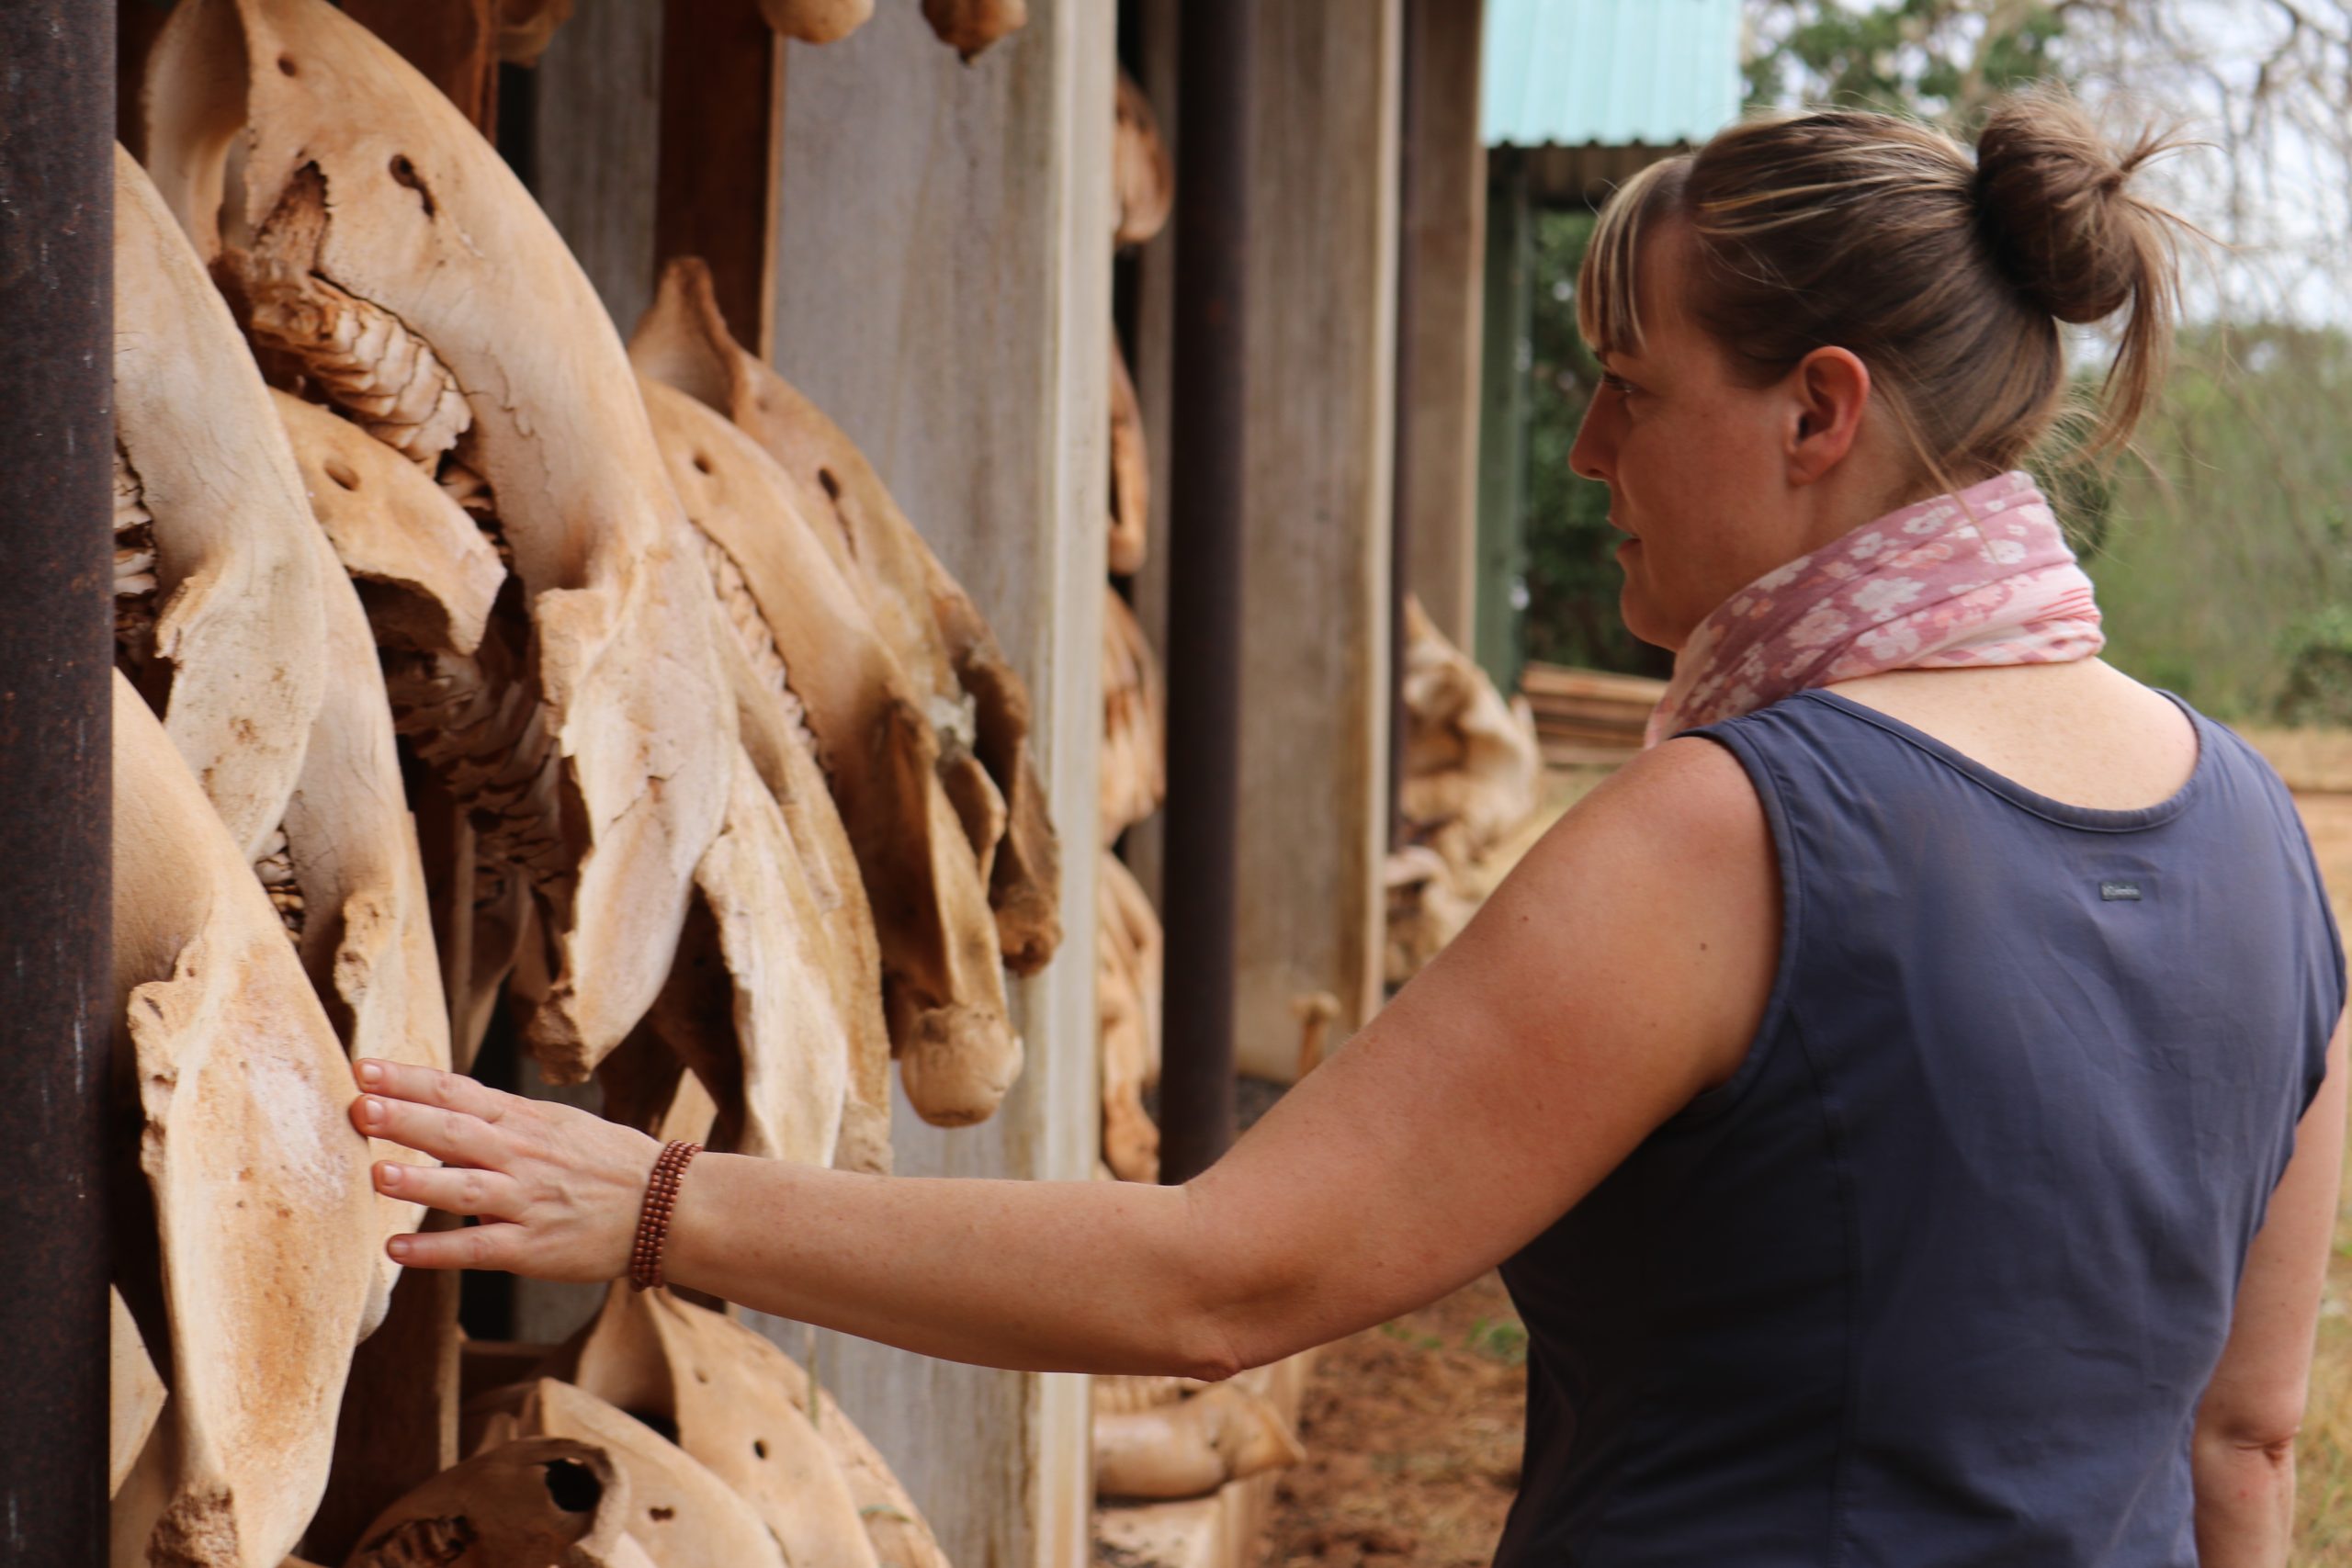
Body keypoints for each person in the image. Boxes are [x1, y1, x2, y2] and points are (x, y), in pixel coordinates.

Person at [349, 87, 2346, 1565]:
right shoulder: (2263, 839)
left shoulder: (1731, 836)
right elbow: (2244, 1439)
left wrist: (662, 1205)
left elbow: (1218, 1280)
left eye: (1626, 387)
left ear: (1815, 413)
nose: (1583, 451)